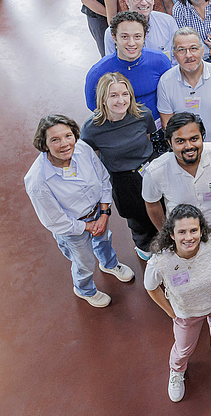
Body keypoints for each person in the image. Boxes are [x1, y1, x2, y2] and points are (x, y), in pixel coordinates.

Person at [24, 115, 135, 308]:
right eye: (55, 139)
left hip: (99, 212)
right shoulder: (38, 181)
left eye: (68, 135)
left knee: (104, 239)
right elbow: (55, 220)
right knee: (83, 262)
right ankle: (84, 289)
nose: (65, 144)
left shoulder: (82, 148)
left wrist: (104, 213)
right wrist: (88, 226)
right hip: (72, 228)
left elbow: (102, 177)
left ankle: (109, 264)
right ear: (44, 144)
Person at [145, 204, 211, 402]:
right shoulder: (161, 261)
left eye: (194, 230)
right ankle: (177, 371)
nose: (189, 237)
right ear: (171, 234)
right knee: (183, 347)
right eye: (182, 232)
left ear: (201, 230)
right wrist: (171, 312)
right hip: (187, 313)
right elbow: (151, 286)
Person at [81, 73, 158, 259]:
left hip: (149, 170)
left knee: (160, 208)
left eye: (125, 94)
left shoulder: (143, 115)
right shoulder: (92, 129)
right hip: (122, 178)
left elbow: (149, 138)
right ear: (103, 99)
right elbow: (91, 159)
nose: (121, 100)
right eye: (113, 95)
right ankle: (145, 248)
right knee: (137, 217)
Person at [142, 112, 211, 247]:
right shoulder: (156, 171)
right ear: (169, 142)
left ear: (202, 137)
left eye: (194, 139)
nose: (189, 146)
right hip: (183, 234)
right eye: (180, 141)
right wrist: (165, 232)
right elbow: (151, 203)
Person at [157, 28, 211, 145]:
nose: (188, 55)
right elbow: (167, 122)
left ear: (202, 51)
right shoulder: (166, 82)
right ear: (174, 54)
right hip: (185, 151)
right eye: (182, 50)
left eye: (193, 48)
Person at [85, 11, 171, 117]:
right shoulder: (98, 73)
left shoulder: (160, 61)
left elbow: (170, 94)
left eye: (137, 36)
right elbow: (94, 106)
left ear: (145, 36)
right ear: (114, 37)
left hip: (157, 125)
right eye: (125, 37)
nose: (131, 43)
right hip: (121, 128)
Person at [103, 0, 177, 59]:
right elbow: (111, 64)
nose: (144, 2)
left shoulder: (168, 22)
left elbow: (176, 57)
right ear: (127, 1)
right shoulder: (112, 32)